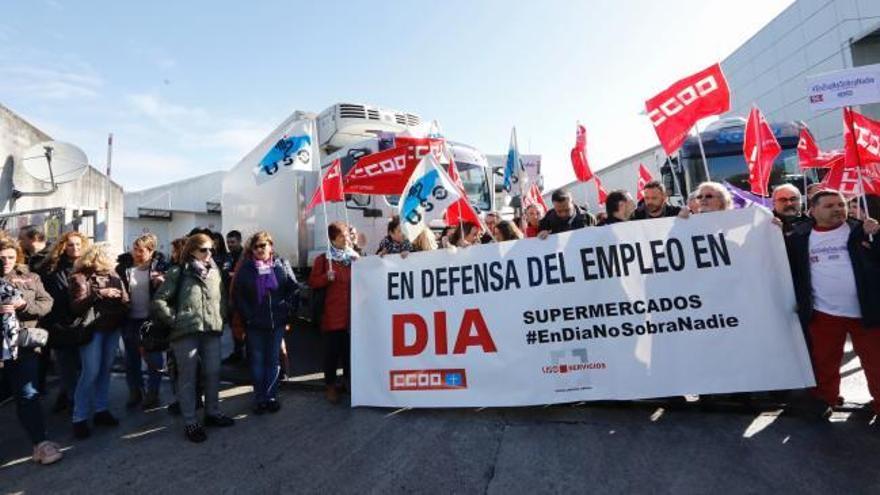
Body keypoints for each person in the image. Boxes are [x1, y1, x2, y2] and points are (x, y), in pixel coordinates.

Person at [785, 190, 880, 420]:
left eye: (840, 204)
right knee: (823, 360)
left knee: (876, 361)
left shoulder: (862, 229)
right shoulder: (798, 237)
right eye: (829, 206)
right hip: (824, 312)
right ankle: (824, 399)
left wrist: (877, 235)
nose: (838, 209)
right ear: (812, 210)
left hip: (867, 311)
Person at [153, 233, 234, 442]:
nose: (208, 254)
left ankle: (212, 413)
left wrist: (221, 316)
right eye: (203, 250)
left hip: (212, 330)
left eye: (211, 250)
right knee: (187, 378)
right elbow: (159, 300)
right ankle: (190, 422)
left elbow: (222, 297)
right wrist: (175, 320)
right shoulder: (178, 272)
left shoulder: (215, 272)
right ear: (191, 251)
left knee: (213, 373)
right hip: (185, 333)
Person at [0, 237, 62, 464]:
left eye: (10, 257)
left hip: (22, 345)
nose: (5, 261)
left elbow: (47, 304)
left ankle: (41, 444)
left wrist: (24, 306)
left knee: (28, 394)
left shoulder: (30, 276)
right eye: (1, 258)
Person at [233, 231, 299, 414]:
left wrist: (287, 309)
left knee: (273, 360)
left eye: (263, 245)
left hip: (276, 322)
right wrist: (249, 316)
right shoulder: (246, 268)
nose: (259, 249)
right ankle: (259, 398)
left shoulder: (281, 264)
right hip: (255, 325)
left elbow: (293, 289)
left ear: (271, 245)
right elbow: (238, 295)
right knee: (257, 361)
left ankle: (270, 396)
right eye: (255, 247)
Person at [70, 244, 129, 439]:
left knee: (105, 370)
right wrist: (99, 294)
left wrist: (122, 299)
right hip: (92, 330)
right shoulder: (80, 277)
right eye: (110, 255)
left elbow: (126, 299)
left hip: (112, 327)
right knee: (91, 372)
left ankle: (101, 410)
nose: (113, 259)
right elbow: (76, 307)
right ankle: (79, 417)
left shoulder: (114, 275)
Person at [115, 233, 169, 409]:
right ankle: (135, 391)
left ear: (151, 251)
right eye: (135, 249)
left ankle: (153, 392)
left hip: (150, 320)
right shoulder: (124, 267)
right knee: (131, 359)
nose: (136, 253)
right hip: (130, 319)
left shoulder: (159, 268)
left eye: (141, 250)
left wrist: (162, 281)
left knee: (154, 358)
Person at [308, 222, 358, 404]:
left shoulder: (353, 258)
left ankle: (347, 382)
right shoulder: (324, 260)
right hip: (332, 317)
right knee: (332, 354)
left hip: (352, 317)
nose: (346, 239)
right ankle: (330, 386)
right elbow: (313, 283)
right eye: (341, 237)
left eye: (347, 235)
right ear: (332, 239)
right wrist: (325, 278)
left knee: (349, 354)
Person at [41, 231, 89, 413]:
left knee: (82, 367)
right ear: (63, 247)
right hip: (60, 325)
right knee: (67, 366)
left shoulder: (89, 266)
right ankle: (74, 403)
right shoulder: (51, 269)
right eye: (70, 244)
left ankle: (70, 397)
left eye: (78, 244)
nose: (75, 248)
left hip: (84, 324)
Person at [222, 230, 246, 365]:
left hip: (242, 299)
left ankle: (248, 356)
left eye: (232, 242)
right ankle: (237, 354)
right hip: (229, 298)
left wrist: (234, 275)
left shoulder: (246, 256)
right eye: (228, 242)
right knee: (233, 328)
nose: (230, 245)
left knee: (244, 329)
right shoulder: (227, 256)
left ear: (239, 241)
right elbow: (224, 274)